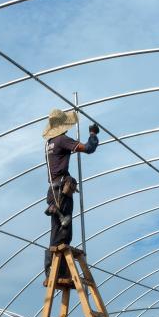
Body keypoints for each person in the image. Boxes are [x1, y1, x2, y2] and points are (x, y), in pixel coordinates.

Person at [42, 109, 99, 282]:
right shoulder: (61, 140)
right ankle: (60, 271)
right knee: (64, 232)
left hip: (54, 191)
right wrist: (93, 134)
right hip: (61, 191)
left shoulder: (50, 143)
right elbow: (88, 149)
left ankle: (52, 269)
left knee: (56, 231)